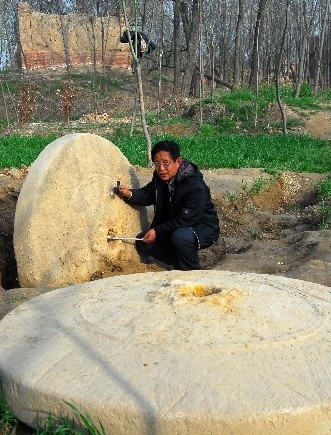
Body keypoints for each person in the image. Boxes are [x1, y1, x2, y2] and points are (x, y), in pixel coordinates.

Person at [115, 140, 220, 270]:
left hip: (202, 227)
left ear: (178, 162)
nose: (161, 168)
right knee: (143, 242)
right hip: (176, 225)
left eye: (166, 163)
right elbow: (148, 194)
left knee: (180, 237)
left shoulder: (194, 185)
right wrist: (129, 193)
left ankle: (193, 270)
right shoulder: (160, 178)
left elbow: (187, 219)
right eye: (157, 163)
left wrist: (158, 230)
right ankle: (180, 263)